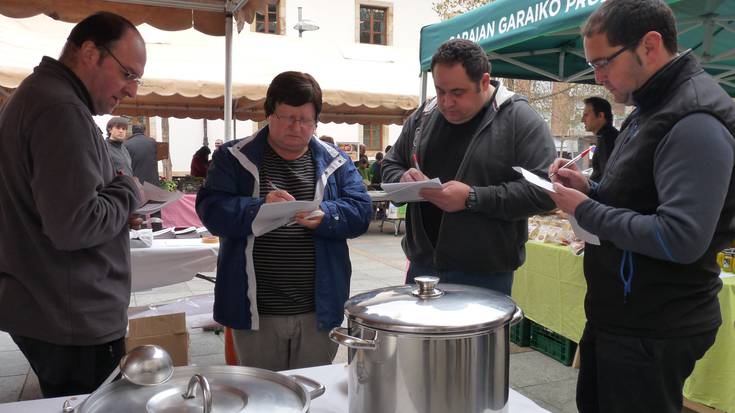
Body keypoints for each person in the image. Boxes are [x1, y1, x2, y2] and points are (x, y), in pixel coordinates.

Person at [546, 1, 735, 411]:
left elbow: (681, 237)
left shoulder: (694, 118)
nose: (598, 77)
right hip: (624, 315)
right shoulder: (649, 105)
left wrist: (585, 209)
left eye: (604, 63)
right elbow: (637, 196)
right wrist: (590, 188)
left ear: (650, 45)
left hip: (655, 325)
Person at [0, 12, 145, 398]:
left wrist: (111, 204)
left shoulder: (40, 95)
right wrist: (126, 190)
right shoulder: (62, 110)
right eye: (127, 74)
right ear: (89, 52)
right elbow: (75, 226)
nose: (131, 90)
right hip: (72, 315)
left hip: (50, 306)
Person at [196, 71, 372, 371]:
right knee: (262, 394)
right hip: (255, 311)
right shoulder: (234, 157)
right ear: (269, 115)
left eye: (305, 119)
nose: (296, 126)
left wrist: (327, 216)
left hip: (318, 308)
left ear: (316, 121)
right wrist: (259, 206)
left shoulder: (336, 161)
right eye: (287, 117)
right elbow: (211, 209)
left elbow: (361, 210)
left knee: (314, 390)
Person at [381, 38, 555, 295]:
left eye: (457, 93)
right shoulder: (424, 116)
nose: (446, 102)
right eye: (440, 91)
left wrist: (472, 198)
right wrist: (402, 177)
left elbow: (545, 192)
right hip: (422, 266)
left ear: (484, 82)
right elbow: (390, 163)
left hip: (484, 273)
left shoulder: (519, 119)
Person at [581, 96, 618, 181]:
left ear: (601, 116)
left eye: (586, 115)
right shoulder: (609, 136)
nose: (582, 120)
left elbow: (606, 179)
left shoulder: (607, 140)